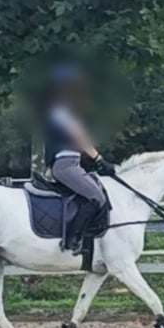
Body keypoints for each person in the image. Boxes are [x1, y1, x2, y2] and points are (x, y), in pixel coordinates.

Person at [42, 64, 116, 253]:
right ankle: (72, 240)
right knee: (96, 197)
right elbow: (79, 136)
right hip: (65, 165)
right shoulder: (60, 110)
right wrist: (99, 159)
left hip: (73, 163)